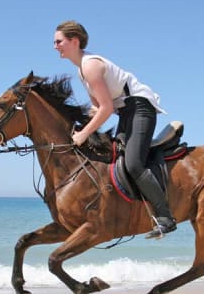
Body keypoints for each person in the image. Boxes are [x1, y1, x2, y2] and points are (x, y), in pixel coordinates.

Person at [54, 20, 177, 239]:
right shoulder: (82, 70)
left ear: (74, 41)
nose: (55, 46)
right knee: (114, 158)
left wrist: (84, 134)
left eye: (59, 41)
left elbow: (106, 108)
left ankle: (166, 218)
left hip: (140, 107)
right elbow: (97, 108)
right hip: (126, 112)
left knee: (133, 164)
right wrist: (72, 125)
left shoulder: (90, 66)